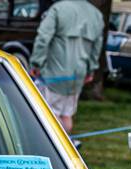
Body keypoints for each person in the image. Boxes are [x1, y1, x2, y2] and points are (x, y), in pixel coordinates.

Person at [29, 0, 105, 135]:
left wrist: (36, 63)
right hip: (78, 75)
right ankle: (67, 144)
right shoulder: (96, 14)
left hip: (54, 73)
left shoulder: (58, 9)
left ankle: (54, 147)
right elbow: (96, 47)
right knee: (66, 114)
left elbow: (43, 38)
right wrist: (91, 70)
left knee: (48, 114)